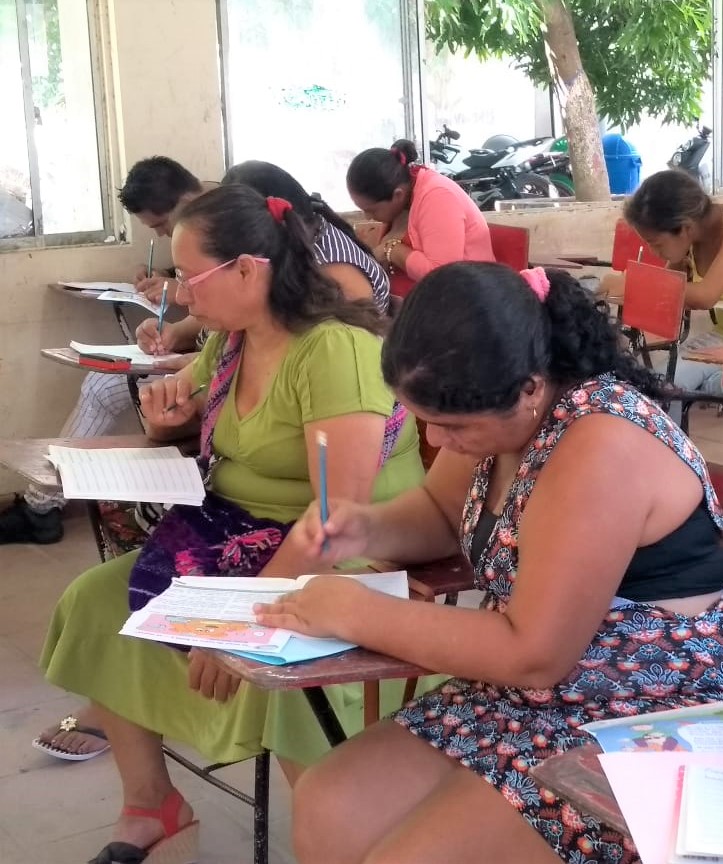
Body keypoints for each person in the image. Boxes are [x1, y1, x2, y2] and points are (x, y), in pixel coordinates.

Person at [253, 262, 723, 864]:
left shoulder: (600, 444)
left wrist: (356, 612)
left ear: (530, 389)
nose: (437, 441)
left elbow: (534, 653)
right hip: (535, 690)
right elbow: (440, 510)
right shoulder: (495, 411)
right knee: (329, 804)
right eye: (426, 422)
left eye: (451, 427)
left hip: (644, 704)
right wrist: (364, 527)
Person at [38, 183, 426, 862]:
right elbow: (206, 433)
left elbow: (337, 516)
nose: (181, 295)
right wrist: (166, 422)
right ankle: (151, 805)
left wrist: (244, 620)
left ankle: (347, 839)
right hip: (239, 538)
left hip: (343, 553)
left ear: (248, 269)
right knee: (98, 600)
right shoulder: (233, 342)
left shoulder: (333, 351)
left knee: (281, 675)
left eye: (191, 277)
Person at [0, 158, 212, 546]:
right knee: (104, 383)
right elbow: (214, 326)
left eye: (161, 225)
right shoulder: (209, 228)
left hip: (219, 370)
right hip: (208, 360)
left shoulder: (227, 230)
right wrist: (175, 326)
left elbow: (235, 339)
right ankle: (41, 507)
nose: (162, 235)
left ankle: (41, 508)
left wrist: (185, 348)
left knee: (104, 387)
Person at [137, 159, 392, 363]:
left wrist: (203, 367)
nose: (182, 296)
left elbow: (327, 358)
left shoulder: (334, 272)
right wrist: (174, 334)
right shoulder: (276, 262)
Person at [623, 169, 723, 412]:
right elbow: (666, 289)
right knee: (656, 385)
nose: (653, 252)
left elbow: (705, 296)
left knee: (668, 388)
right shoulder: (690, 237)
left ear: (685, 227)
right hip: (719, 338)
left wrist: (631, 285)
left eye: (656, 244)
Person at [346, 139, 495, 298]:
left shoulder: (437, 197)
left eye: (371, 210)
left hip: (467, 299)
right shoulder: (405, 197)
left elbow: (441, 276)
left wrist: (392, 250)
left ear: (397, 195)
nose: (368, 217)